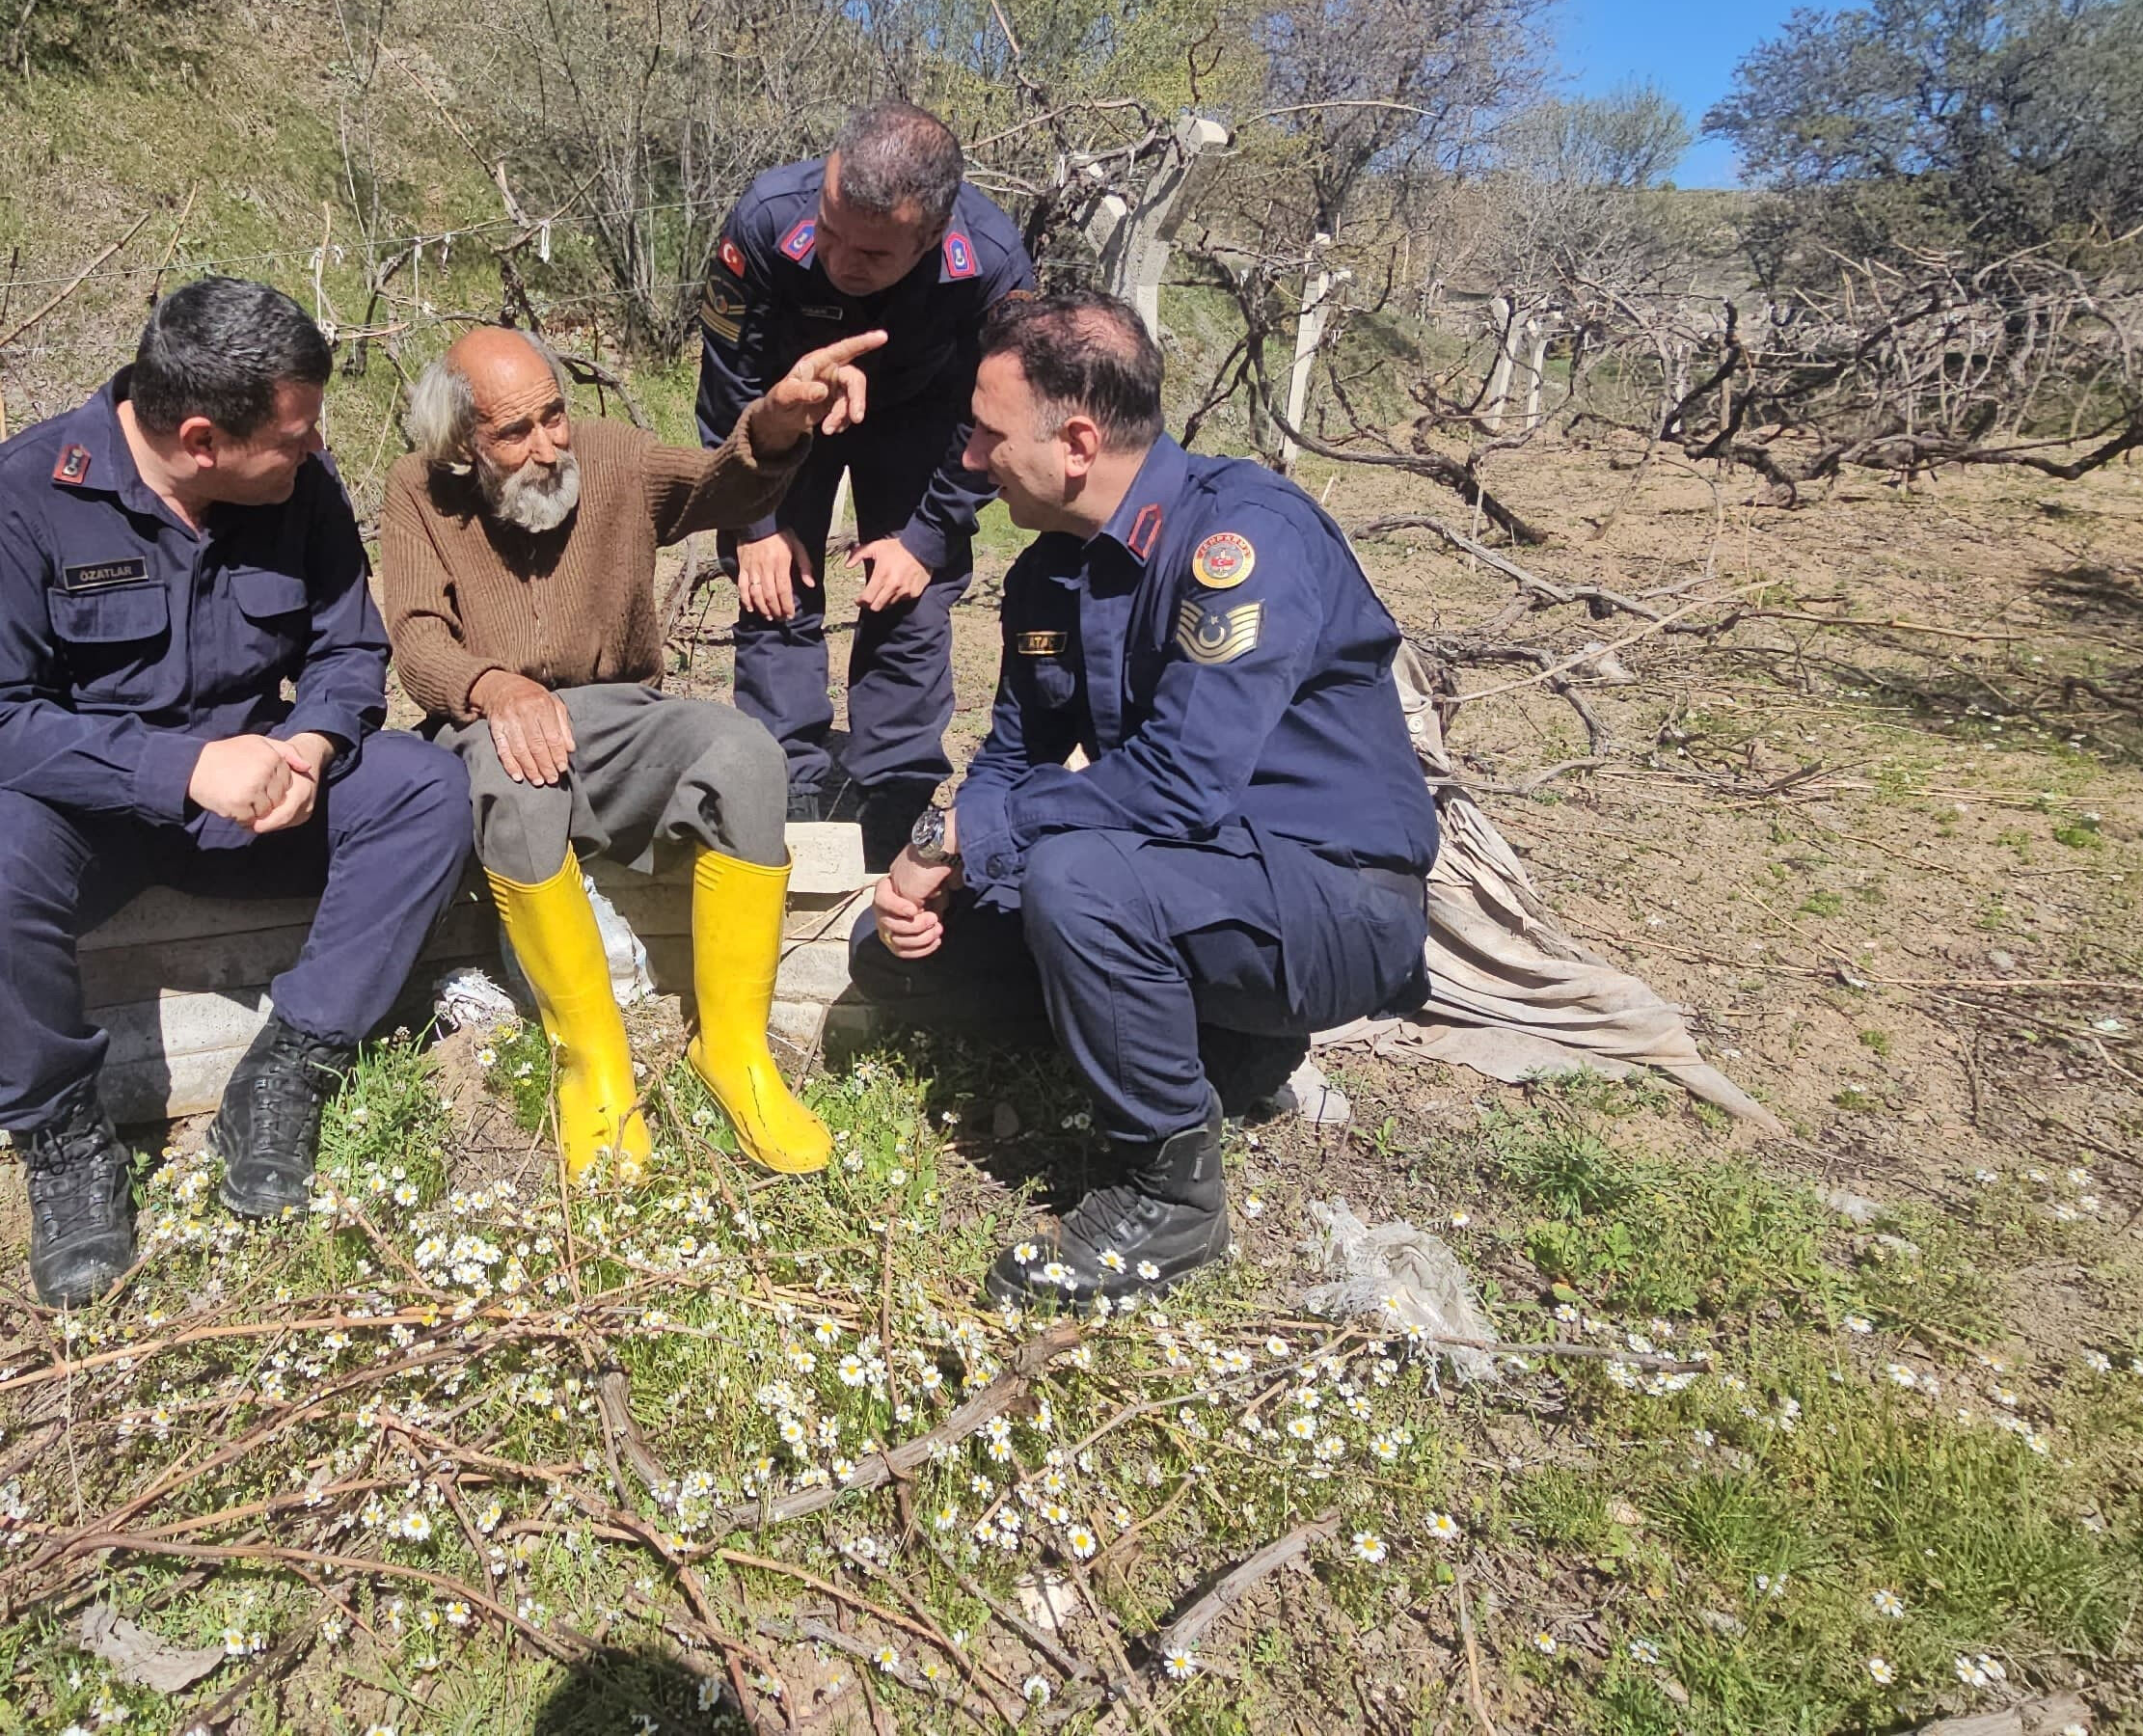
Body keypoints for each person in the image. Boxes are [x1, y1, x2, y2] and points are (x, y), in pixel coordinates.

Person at [855, 288, 1440, 1308]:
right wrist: (941, 862)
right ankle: (1229, 1052)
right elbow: (1015, 756)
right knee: (928, 938)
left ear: (1076, 440)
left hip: (1331, 896)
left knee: (1074, 878)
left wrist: (957, 830)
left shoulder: (1241, 539)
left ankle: (1169, 1195)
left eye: (990, 437)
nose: (972, 462)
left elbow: (1180, 782)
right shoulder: (1049, 576)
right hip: (1197, 873)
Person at [0, 278, 472, 1307]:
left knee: (423, 787)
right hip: (81, 816)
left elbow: (349, 649)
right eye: (293, 437)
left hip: (258, 803)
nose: (311, 451)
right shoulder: (19, 494)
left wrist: (308, 742)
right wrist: (182, 768)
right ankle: (62, 1136)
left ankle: (293, 1061)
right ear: (203, 439)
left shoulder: (300, 485)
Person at [381, 322, 885, 1180]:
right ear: (462, 444)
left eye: (554, 416)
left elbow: (716, 486)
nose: (547, 447)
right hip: (491, 719)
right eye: (515, 431)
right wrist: (495, 689)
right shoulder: (419, 492)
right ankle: (594, 1065)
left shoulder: (610, 458)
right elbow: (420, 637)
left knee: (746, 755)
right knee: (521, 778)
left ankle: (735, 1053)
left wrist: (772, 422)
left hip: (621, 714)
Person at [697, 99, 1033, 856]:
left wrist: (927, 534)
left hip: (926, 416)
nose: (842, 262)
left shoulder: (992, 266)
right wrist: (751, 520)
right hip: (791, 402)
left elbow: (995, 417)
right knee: (773, 582)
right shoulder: (765, 218)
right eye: (833, 232)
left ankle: (892, 796)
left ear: (934, 234)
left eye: (874, 255)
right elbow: (727, 384)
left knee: (910, 595)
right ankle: (784, 782)